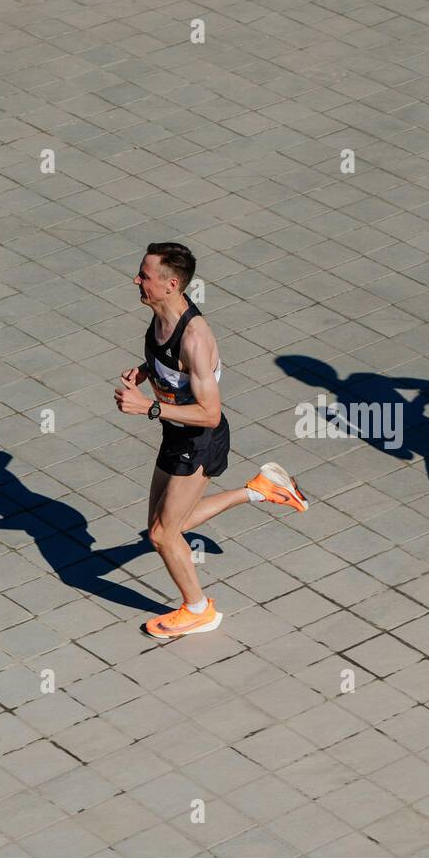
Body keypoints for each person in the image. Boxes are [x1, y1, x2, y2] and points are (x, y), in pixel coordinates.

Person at [116, 242, 308, 636]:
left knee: (162, 534)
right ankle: (259, 490)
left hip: (199, 439)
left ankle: (198, 610)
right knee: (164, 525)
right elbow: (172, 368)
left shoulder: (195, 337)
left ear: (171, 284)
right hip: (176, 434)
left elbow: (210, 413)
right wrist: (145, 371)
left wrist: (147, 408)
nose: (137, 279)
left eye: (145, 276)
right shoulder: (159, 318)